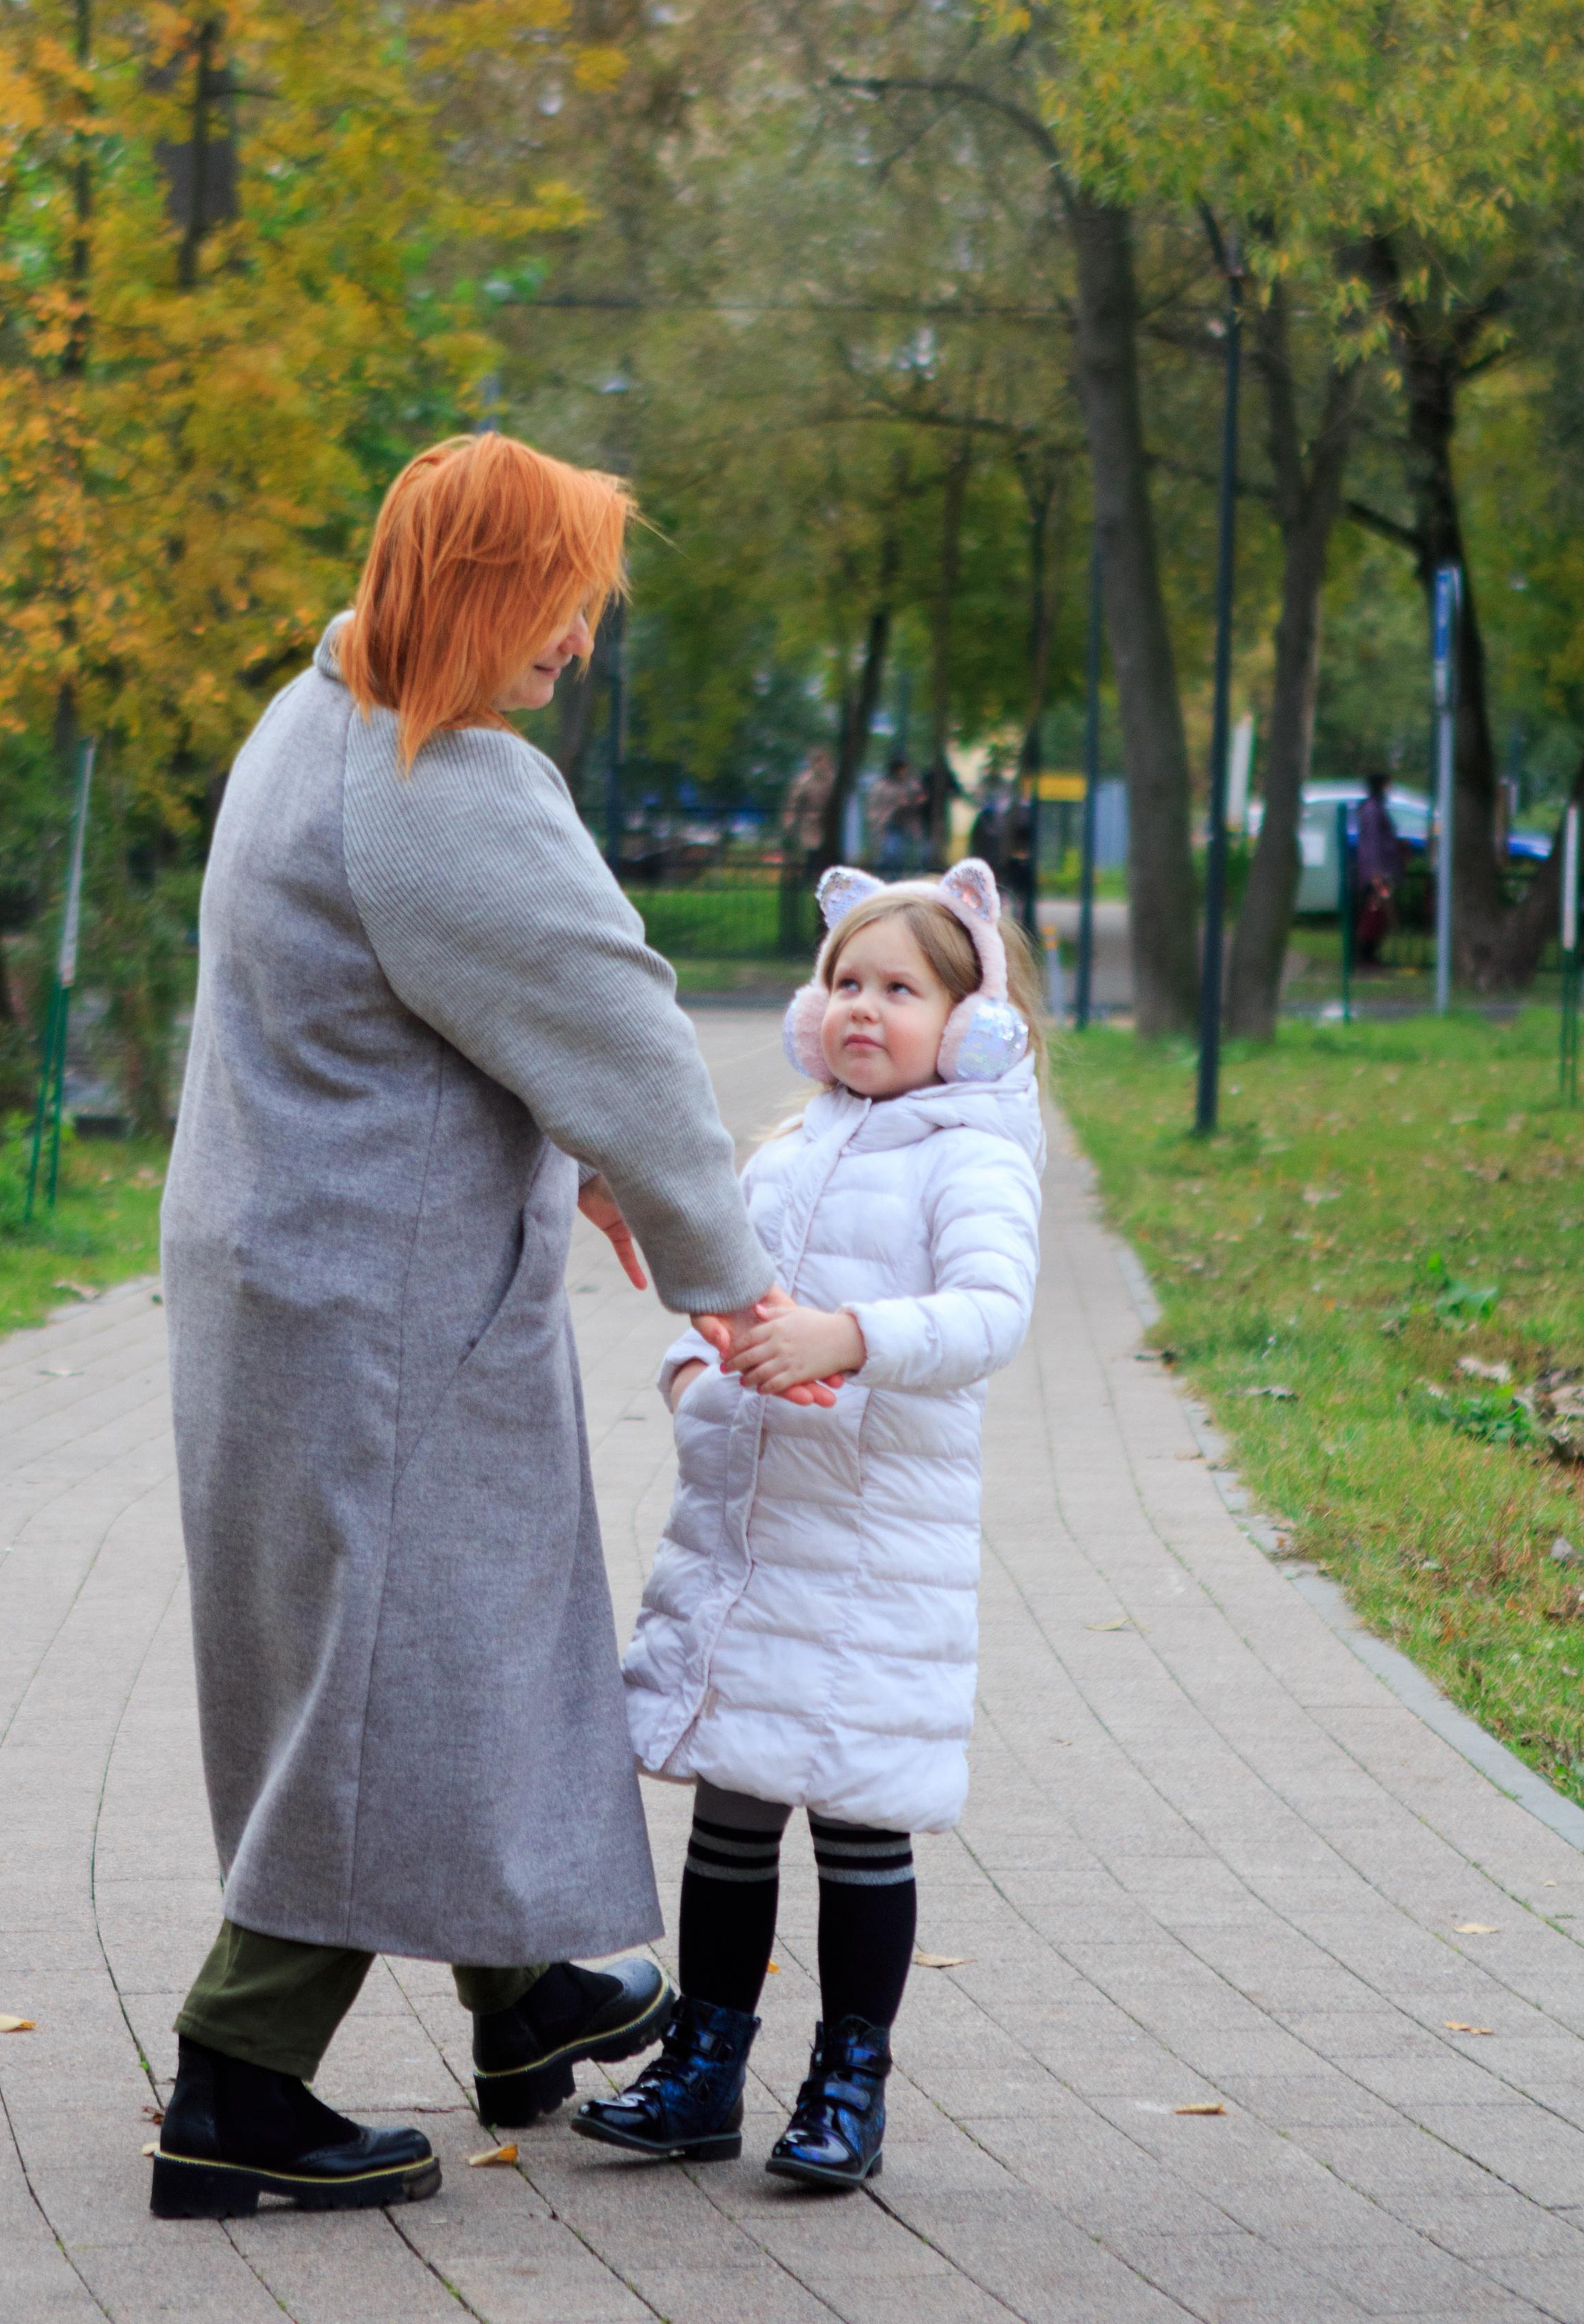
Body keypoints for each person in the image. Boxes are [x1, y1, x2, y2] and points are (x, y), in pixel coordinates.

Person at [154, 434, 775, 2222]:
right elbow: (621, 1029)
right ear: (488, 591)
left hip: (290, 1269)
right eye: (558, 599)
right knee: (386, 1667)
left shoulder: (315, 717)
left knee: (446, 1637)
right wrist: (724, 1270)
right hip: (385, 1305)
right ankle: (236, 2079)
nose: (574, 639)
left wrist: (563, 1149)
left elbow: (454, 1005)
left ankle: (529, 1997)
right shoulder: (444, 782)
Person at [575, 858, 1045, 2192]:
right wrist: (692, 1371)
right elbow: (716, 1300)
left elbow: (990, 1317)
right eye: (844, 981)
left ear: (968, 1024)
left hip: (871, 1551)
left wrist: (855, 1336)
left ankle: (851, 2079)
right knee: (731, 1815)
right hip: (751, 1546)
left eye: (900, 990)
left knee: (856, 1821)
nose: (861, 1009)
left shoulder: (975, 1157)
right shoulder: (786, 1150)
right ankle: (706, 2064)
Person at [1354, 773, 1403, 968]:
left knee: (1377, 915)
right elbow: (1373, 842)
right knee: (1373, 914)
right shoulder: (1373, 810)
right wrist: (1376, 873)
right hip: (1376, 873)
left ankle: (1370, 954)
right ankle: (1366, 956)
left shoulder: (1375, 808)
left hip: (1378, 871)